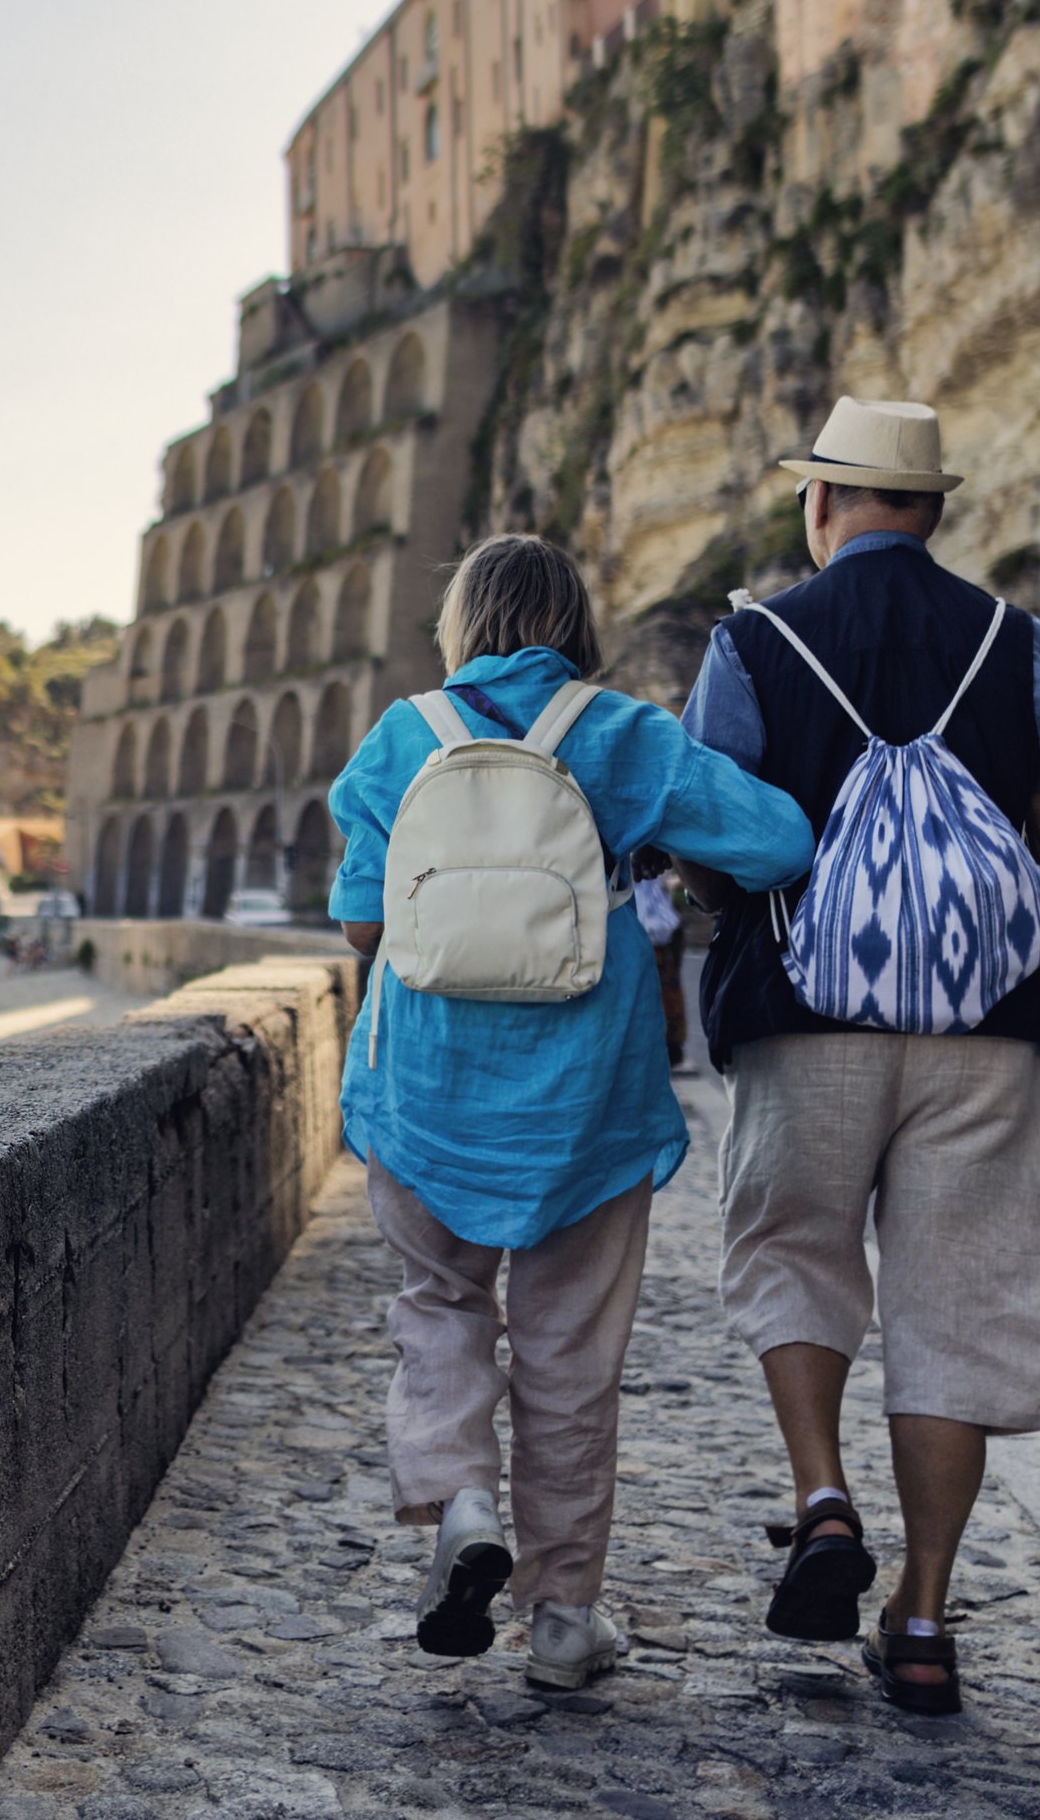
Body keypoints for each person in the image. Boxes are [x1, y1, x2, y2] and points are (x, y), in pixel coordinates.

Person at [679, 397, 1040, 1719]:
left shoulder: (755, 641)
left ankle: (820, 1498)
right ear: (933, 510)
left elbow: (709, 835)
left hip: (807, 1019)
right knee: (957, 1306)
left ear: (821, 505)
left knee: (792, 1250)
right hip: (991, 1030)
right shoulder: (1018, 642)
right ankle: (922, 1617)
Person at [329, 534, 813, 1691]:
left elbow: (361, 927)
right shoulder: (621, 732)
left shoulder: (403, 735)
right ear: (575, 620)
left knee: (438, 1306)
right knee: (570, 1359)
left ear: (460, 621)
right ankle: (561, 1619)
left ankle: (462, 1500)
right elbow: (780, 838)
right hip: (583, 1111)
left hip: (422, 1094)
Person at [631, 859, 688, 1066]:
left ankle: (666, 1044)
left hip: (652, 928)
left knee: (661, 991)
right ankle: (668, 1043)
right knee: (664, 990)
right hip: (659, 928)